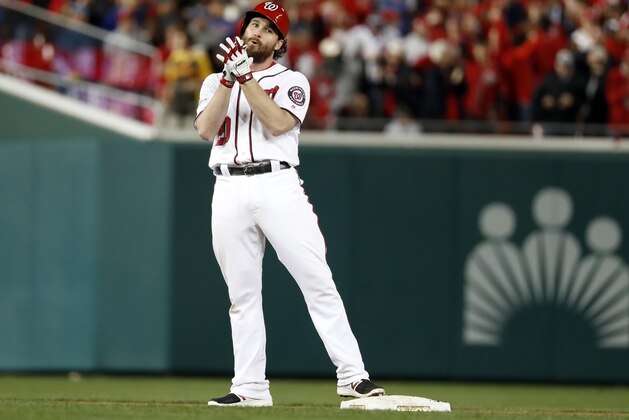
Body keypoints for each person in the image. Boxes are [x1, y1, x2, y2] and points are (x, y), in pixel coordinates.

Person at [194, 1, 385, 408]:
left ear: (280, 41)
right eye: (252, 25)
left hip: (277, 183)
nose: (255, 33)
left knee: (316, 279)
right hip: (227, 185)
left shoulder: (292, 79)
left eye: (266, 28)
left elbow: (279, 123)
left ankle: (353, 376)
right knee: (241, 295)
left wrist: (246, 79)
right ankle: (249, 388)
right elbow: (205, 130)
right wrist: (229, 81)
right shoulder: (215, 81)